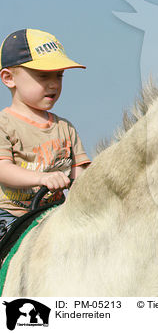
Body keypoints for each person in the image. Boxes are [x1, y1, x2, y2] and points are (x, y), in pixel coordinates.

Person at [0, 29, 91, 238]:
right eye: (43, 76)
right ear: (8, 78)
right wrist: (42, 178)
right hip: (10, 214)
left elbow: (81, 174)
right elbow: (3, 169)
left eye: (59, 76)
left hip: (55, 215)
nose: (54, 84)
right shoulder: (4, 124)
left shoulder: (64, 127)